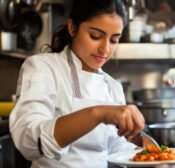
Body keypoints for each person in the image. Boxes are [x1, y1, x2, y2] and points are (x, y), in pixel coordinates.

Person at [9, 0, 145, 167]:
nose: (105, 49)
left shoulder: (112, 86)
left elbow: (114, 147)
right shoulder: (43, 67)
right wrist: (97, 114)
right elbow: (28, 140)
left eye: (114, 40)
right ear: (72, 27)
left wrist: (151, 157)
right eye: (95, 36)